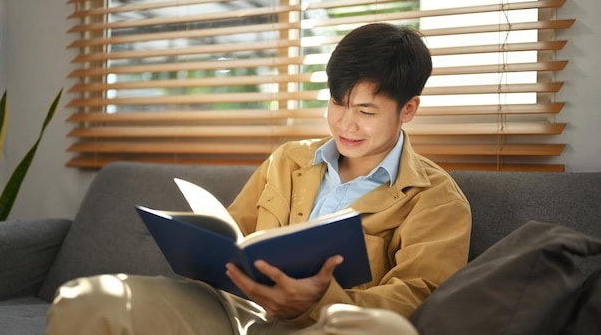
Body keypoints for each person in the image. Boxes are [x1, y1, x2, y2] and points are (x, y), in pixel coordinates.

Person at [45, 23, 472, 335]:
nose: (346, 124)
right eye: (338, 104)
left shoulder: (436, 199)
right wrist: (200, 251)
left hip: (326, 325)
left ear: (409, 109)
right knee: (86, 299)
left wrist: (317, 300)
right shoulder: (288, 159)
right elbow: (235, 233)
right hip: (235, 312)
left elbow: (419, 297)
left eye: (366, 112)